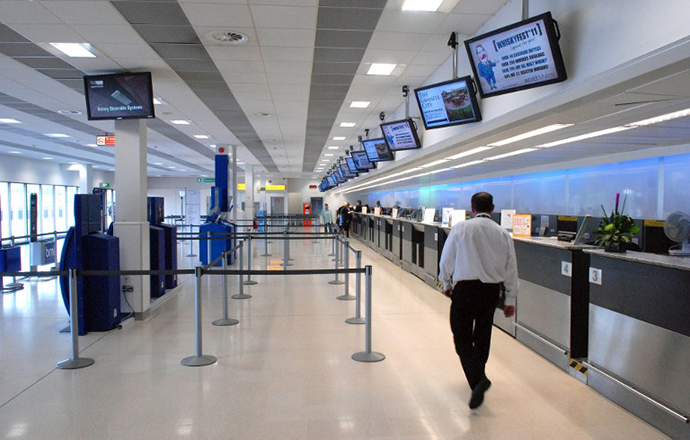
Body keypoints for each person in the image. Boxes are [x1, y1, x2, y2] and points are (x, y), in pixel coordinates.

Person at [438, 192, 518, 410]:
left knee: (461, 335)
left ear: (471, 208)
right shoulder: (503, 233)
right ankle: (479, 376)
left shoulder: (461, 228)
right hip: (491, 291)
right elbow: (511, 269)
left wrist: (445, 284)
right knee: (483, 334)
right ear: (492, 207)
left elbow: (447, 259)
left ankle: (477, 380)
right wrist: (510, 298)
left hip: (465, 289)